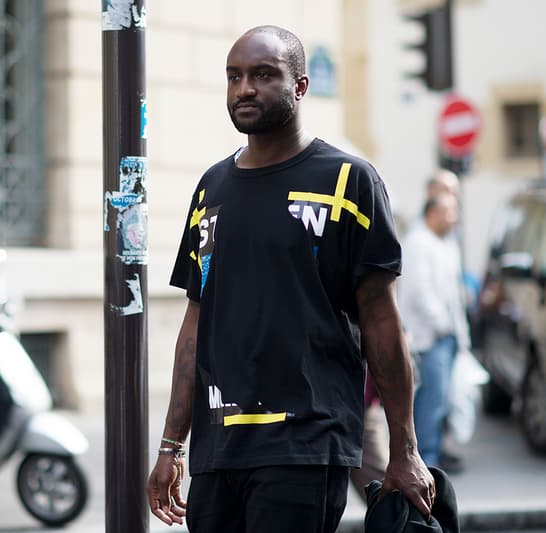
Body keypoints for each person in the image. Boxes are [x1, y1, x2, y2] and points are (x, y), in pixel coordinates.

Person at [146, 26, 434, 532]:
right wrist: (172, 445)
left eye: (262, 75)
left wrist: (404, 450)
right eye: (234, 77)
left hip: (305, 447)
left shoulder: (349, 182)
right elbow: (196, 322)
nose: (244, 89)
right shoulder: (211, 187)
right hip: (219, 452)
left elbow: (382, 324)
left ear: (300, 86)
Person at [398, 193, 471, 470]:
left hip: (446, 334)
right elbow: (419, 292)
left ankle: (433, 451)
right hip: (430, 337)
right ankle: (426, 458)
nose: (454, 217)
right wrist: (442, 325)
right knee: (431, 398)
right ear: (432, 213)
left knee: (440, 397)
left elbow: (454, 293)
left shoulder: (446, 244)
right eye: (449, 211)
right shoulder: (418, 243)